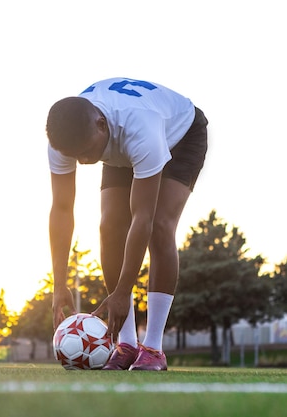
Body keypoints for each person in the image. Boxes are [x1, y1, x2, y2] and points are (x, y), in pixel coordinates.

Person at [46, 77, 208, 371]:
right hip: (119, 146)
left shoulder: (139, 128)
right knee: (109, 227)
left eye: (85, 151)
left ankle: (154, 349)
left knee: (160, 226)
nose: (82, 161)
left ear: (100, 124)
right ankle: (127, 344)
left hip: (181, 133)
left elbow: (142, 218)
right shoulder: (64, 137)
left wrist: (123, 291)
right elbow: (61, 209)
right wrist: (59, 284)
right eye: (75, 155)